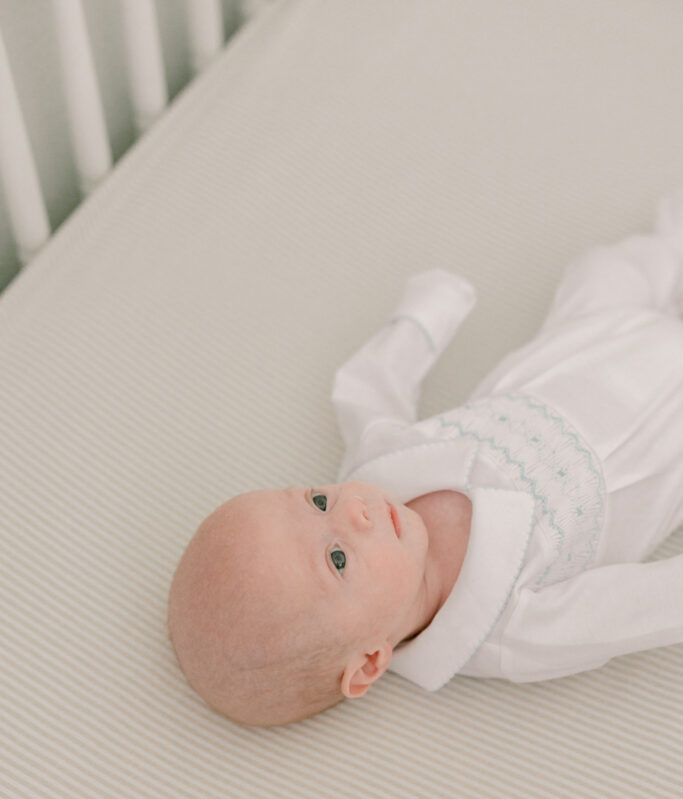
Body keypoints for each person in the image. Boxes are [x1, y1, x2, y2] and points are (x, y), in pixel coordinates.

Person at [168, 188, 683, 728]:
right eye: (338, 558)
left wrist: (423, 317)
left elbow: (369, 386)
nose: (353, 511)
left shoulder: (379, 462)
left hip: (587, 342)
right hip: (667, 443)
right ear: (369, 662)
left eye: (317, 501)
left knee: (603, 271)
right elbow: (641, 605)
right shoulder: (507, 630)